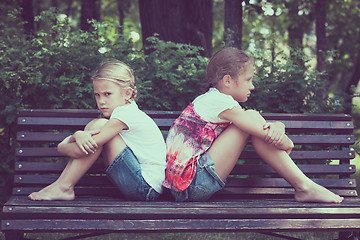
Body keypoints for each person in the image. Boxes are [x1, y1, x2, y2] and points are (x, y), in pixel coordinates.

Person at [162, 48, 344, 203]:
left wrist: (278, 126)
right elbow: (267, 134)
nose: (253, 86)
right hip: (191, 184)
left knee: (252, 116)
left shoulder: (211, 100)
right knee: (251, 117)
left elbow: (259, 126)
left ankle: (305, 187)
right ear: (227, 81)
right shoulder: (219, 101)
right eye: (248, 79)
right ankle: (304, 186)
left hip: (185, 185)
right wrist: (287, 141)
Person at [28, 59, 166, 201]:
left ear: (127, 94)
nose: (101, 101)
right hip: (141, 185)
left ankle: (63, 187)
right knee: (96, 124)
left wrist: (62, 146)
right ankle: (61, 186)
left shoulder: (126, 115)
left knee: (99, 125)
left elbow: (81, 150)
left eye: (107, 94)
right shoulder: (123, 113)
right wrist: (79, 135)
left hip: (145, 187)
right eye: (97, 95)